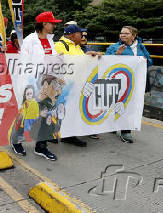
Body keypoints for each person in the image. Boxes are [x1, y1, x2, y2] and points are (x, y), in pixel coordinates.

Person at [13, 11, 60, 161]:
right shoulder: (29, 40)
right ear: (44, 24)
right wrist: (29, 84)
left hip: (48, 83)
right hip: (32, 82)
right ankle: (16, 140)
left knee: (46, 114)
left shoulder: (51, 40)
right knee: (26, 113)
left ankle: (41, 146)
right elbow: (24, 63)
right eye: (52, 23)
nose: (53, 26)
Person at [54, 24, 103, 147]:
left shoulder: (77, 46)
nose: (82, 36)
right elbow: (68, 61)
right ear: (72, 34)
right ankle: (63, 134)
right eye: (80, 33)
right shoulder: (59, 45)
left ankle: (67, 134)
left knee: (72, 110)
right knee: (63, 109)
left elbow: (80, 60)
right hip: (65, 85)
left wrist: (89, 55)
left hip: (76, 84)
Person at [105, 26, 152, 143]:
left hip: (136, 82)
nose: (122, 35)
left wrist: (144, 60)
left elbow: (150, 62)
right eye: (121, 33)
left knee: (130, 105)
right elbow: (105, 62)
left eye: (126, 33)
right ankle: (114, 124)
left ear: (134, 35)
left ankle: (126, 131)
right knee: (118, 104)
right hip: (119, 82)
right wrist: (117, 55)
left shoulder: (141, 47)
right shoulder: (114, 47)